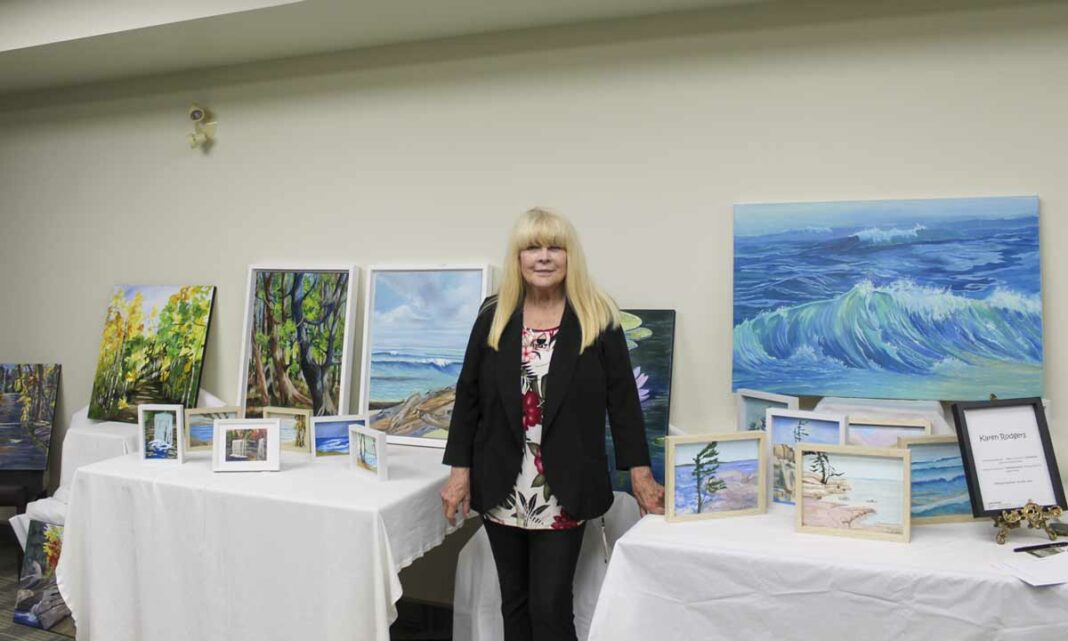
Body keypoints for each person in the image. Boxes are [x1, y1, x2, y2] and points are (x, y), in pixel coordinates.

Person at [441, 207, 664, 641]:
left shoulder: (598, 317)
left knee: (551, 608)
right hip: (501, 481)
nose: (543, 257)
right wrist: (458, 473)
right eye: (532, 247)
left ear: (569, 256)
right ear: (518, 258)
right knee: (515, 604)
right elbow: (468, 397)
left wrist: (640, 474)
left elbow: (623, 403)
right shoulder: (494, 316)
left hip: (564, 486)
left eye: (554, 247)